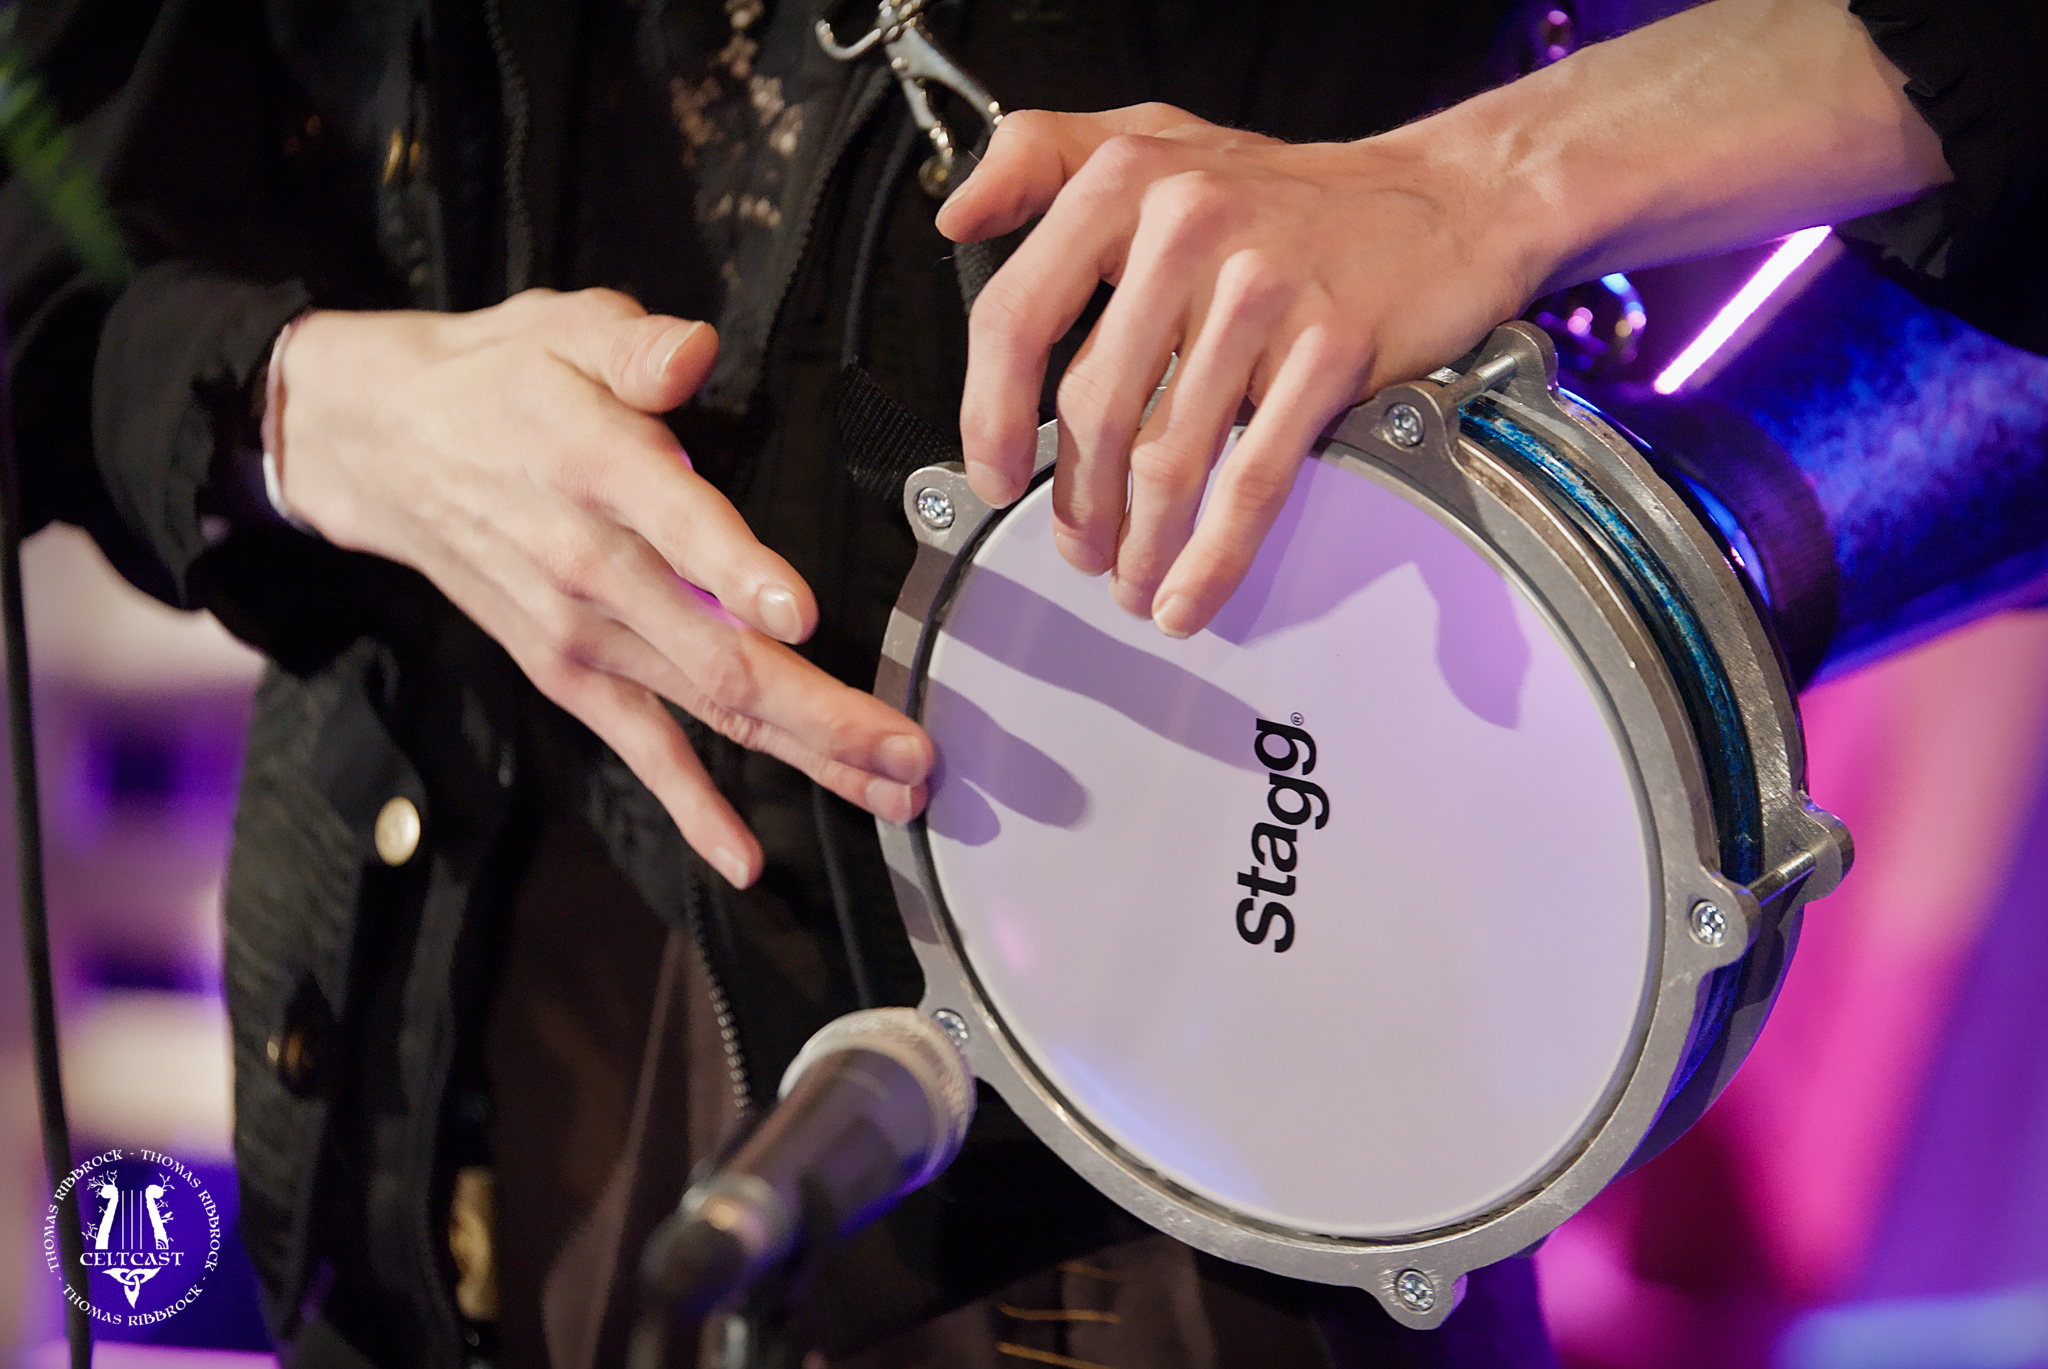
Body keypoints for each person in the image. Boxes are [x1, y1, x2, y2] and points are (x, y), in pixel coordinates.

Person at [1, 0, 2038, 1365]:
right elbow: (50, 242)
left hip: (1198, 1166)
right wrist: (304, 407)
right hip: (442, 1048)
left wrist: (1499, 175)